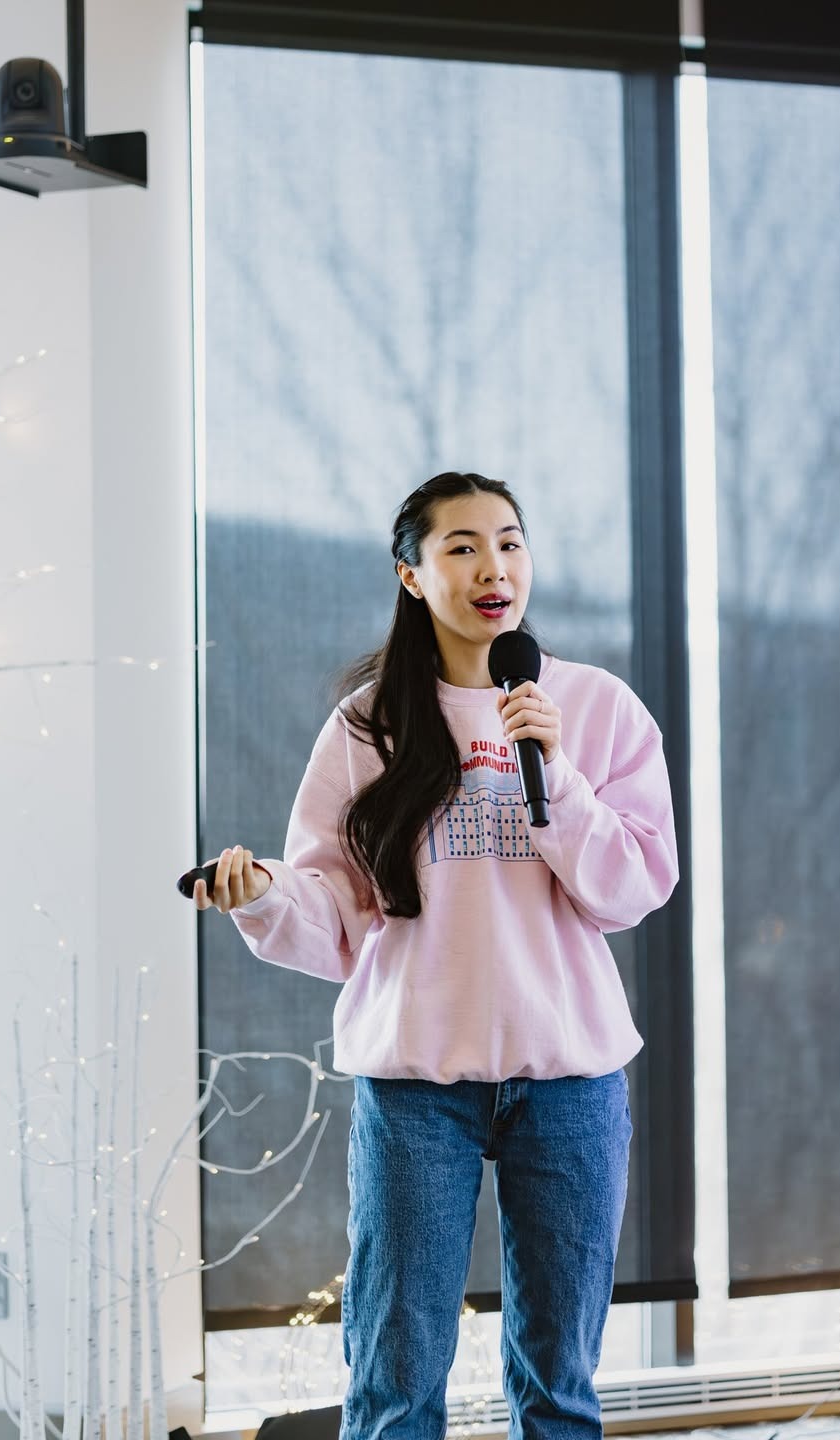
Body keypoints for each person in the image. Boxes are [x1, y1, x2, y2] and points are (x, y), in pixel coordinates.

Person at [190, 471, 679, 1440]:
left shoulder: (594, 707)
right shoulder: (368, 726)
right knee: (395, 1372)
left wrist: (561, 780)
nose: (493, 566)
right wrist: (263, 892)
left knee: (559, 1379)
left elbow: (634, 887)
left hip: (571, 1081)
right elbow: (336, 908)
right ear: (412, 576)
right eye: (461, 547)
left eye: (509, 541)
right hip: (417, 1087)